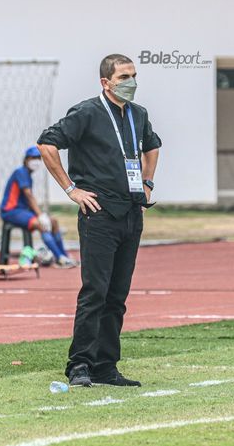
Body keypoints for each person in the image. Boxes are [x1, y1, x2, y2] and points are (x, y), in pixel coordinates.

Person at [37, 53, 161, 387]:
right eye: (123, 77)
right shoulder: (86, 112)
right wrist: (71, 189)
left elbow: (152, 147)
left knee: (117, 296)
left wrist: (147, 182)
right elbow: (47, 144)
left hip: (131, 212)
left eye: (133, 75)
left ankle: (106, 365)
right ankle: (79, 364)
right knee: (95, 291)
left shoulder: (138, 114)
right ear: (106, 82)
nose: (131, 82)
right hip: (98, 213)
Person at [0, 146, 77, 268]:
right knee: (42, 224)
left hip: (22, 211)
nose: (36, 161)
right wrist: (40, 215)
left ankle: (64, 255)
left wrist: (41, 215)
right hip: (11, 211)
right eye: (33, 158)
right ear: (26, 160)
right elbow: (29, 196)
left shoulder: (28, 175)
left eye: (38, 158)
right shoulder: (21, 172)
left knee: (53, 222)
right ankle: (60, 258)